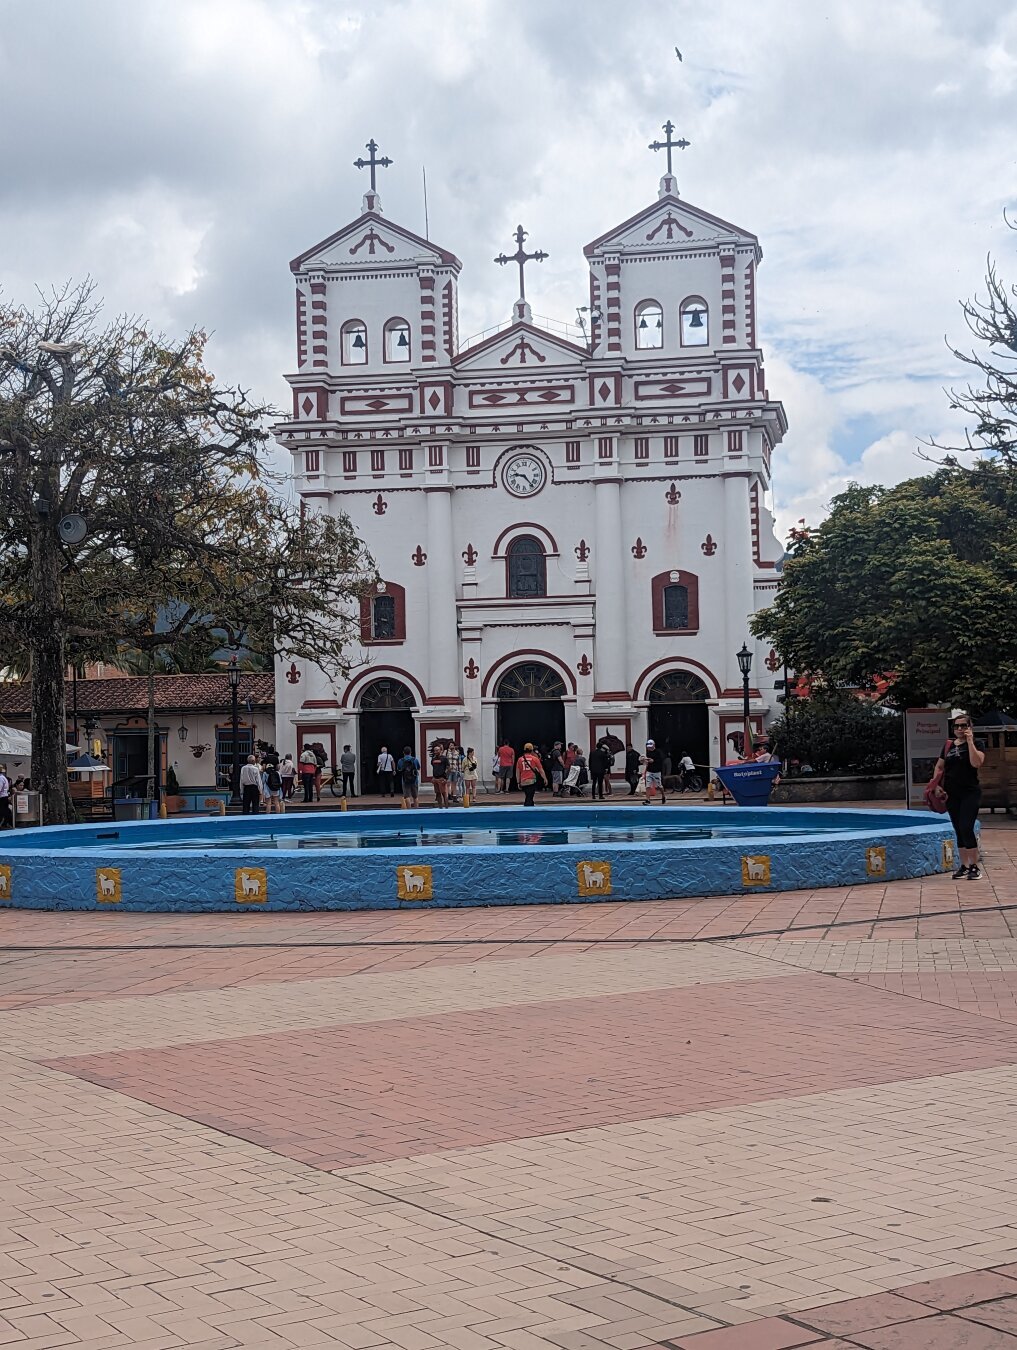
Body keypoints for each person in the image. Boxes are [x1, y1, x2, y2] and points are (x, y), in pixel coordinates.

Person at [934, 714, 986, 879]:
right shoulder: (948, 745)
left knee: (966, 826)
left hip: (969, 792)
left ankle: (974, 866)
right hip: (951, 793)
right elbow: (939, 766)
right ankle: (963, 865)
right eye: (956, 726)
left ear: (970, 727)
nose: (959, 729)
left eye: (963, 726)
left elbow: (976, 763)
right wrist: (936, 786)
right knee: (958, 828)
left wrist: (970, 742)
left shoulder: (977, 744)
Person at [515, 741, 547, 807]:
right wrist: (545, 778)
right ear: (532, 750)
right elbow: (541, 770)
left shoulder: (520, 759)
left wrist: (518, 782)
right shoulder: (535, 759)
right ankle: (528, 808)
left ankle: (529, 806)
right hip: (532, 780)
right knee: (529, 797)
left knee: (528, 795)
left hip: (523, 781)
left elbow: (518, 771)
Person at [641, 739, 667, 805]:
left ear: (654, 745)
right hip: (649, 771)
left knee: (659, 786)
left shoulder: (658, 752)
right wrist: (645, 761)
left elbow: (660, 761)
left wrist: (653, 760)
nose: (649, 748)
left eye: (650, 746)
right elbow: (648, 761)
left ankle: (663, 796)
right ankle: (647, 800)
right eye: (648, 747)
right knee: (648, 786)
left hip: (657, 771)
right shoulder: (648, 752)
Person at [430, 740, 450, 807]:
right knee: (437, 793)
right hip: (435, 778)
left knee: (444, 793)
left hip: (442, 778)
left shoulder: (444, 758)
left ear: (440, 750)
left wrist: (446, 778)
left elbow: (448, 768)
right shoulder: (433, 759)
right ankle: (440, 807)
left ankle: (446, 807)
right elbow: (433, 767)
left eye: (437, 750)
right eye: (434, 750)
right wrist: (433, 777)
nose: (435, 752)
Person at [0, 763, 11, 830]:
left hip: (2, 797)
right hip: (4, 797)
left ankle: (3, 824)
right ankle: (5, 823)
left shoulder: (0, 778)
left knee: (2, 811)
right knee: (4, 810)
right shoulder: (3, 777)